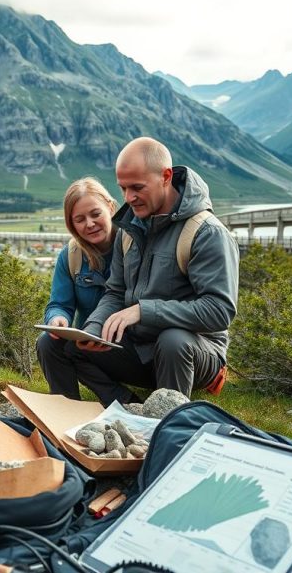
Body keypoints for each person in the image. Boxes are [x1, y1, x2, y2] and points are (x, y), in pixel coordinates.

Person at [65, 137, 240, 405]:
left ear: (166, 176)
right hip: (142, 351)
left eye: (137, 187)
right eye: (123, 188)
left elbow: (219, 311)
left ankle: (173, 419)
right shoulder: (129, 228)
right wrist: (93, 328)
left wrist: (143, 310)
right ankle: (128, 407)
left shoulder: (207, 233)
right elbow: (115, 291)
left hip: (193, 353)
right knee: (71, 347)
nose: (128, 198)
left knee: (173, 341)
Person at [36, 177, 119, 399]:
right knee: (47, 342)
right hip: (89, 344)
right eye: (79, 219)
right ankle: (67, 407)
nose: (89, 224)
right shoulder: (71, 256)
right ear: (71, 224)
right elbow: (59, 303)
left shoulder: (134, 245)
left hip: (129, 345)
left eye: (95, 214)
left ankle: (123, 401)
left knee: (73, 351)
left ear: (110, 207)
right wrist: (56, 319)